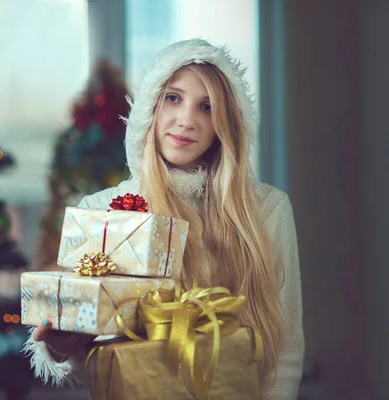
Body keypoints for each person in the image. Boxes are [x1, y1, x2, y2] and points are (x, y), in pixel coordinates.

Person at [23, 38, 304, 399]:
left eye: (207, 106)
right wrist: (65, 347)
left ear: (226, 122)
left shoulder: (268, 209)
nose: (186, 120)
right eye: (174, 97)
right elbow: (92, 367)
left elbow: (286, 354)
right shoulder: (101, 210)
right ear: (150, 107)